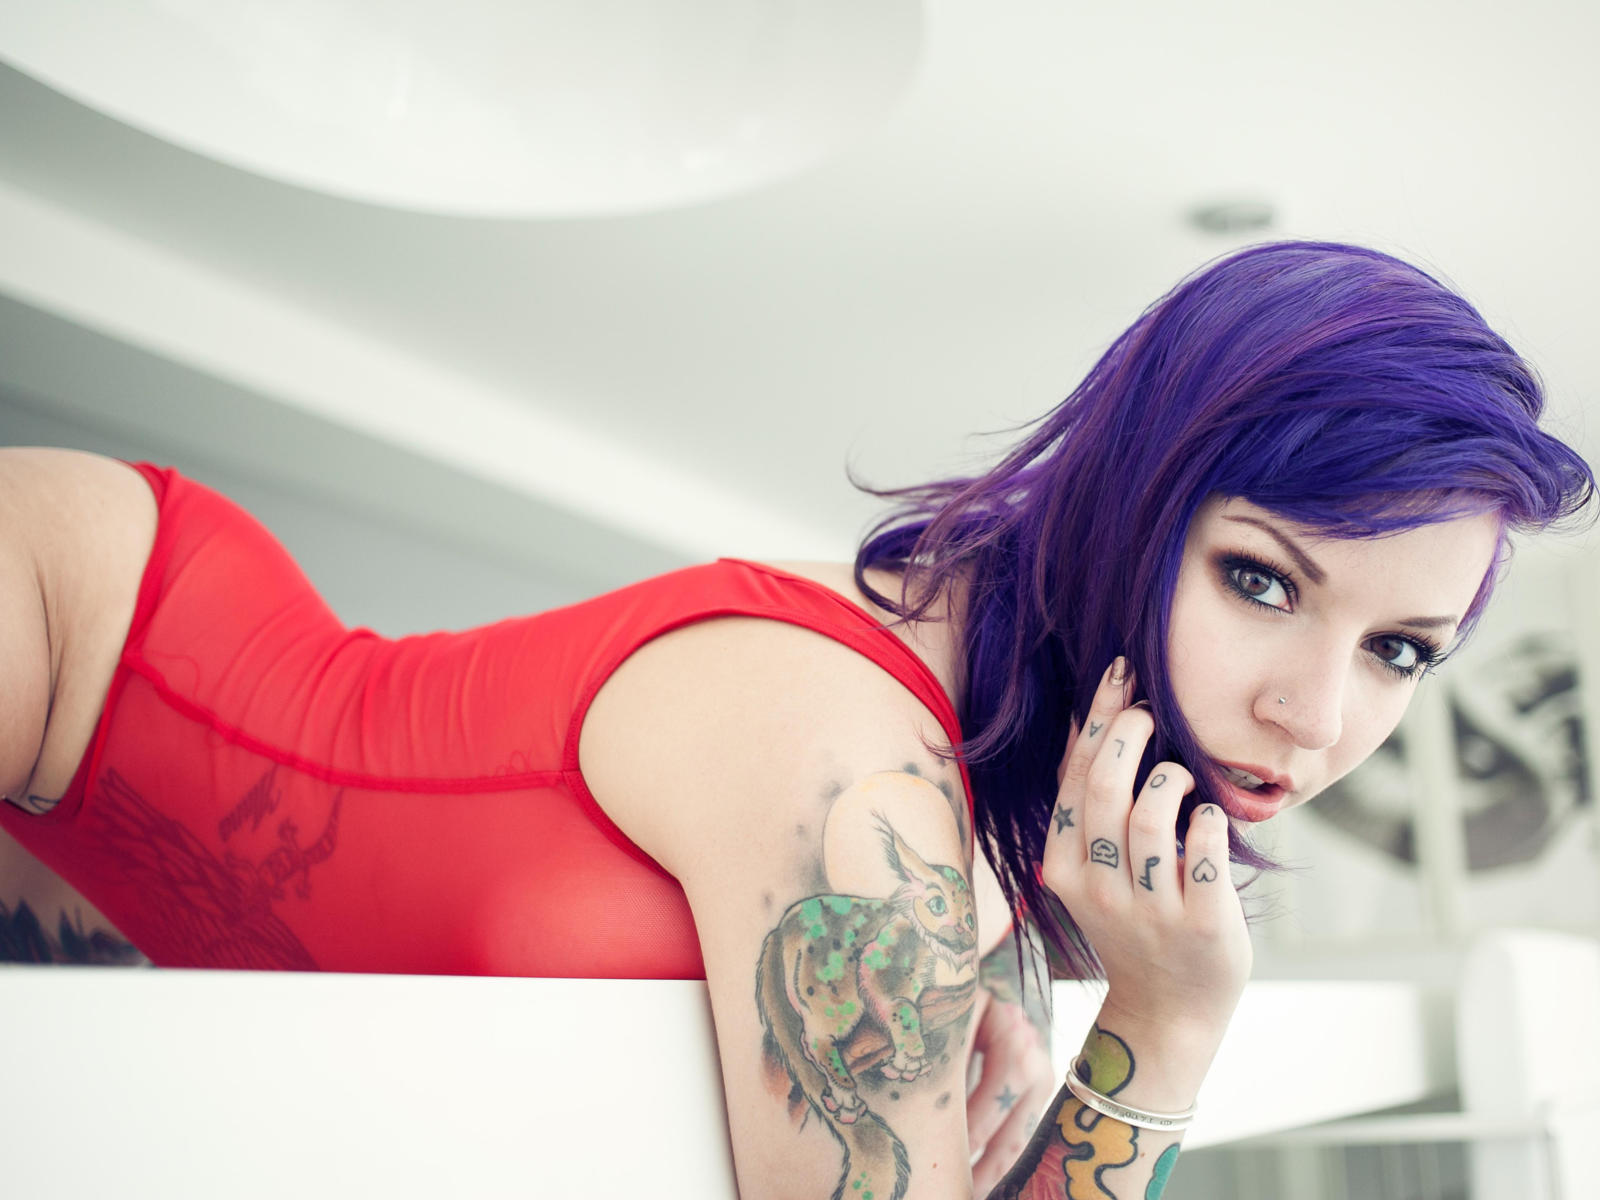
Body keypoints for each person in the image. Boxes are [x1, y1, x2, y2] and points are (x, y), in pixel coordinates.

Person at [0, 240, 1591, 1199]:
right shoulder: (863, 780)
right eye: (1260, 579)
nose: (1313, 714)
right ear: (1133, 501)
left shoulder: (979, 814)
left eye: (1401, 651)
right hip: (84, 622)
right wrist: (1167, 1032)